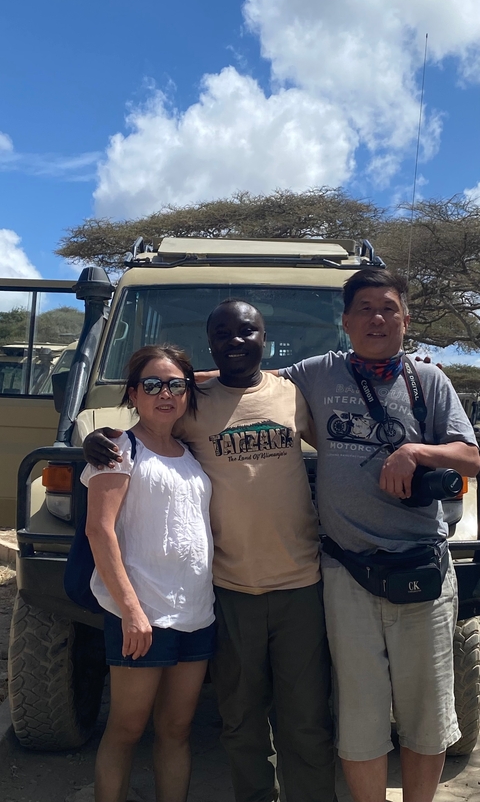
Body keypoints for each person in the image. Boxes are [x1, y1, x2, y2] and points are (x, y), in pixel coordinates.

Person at [84, 299, 336, 802]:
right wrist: (98, 435)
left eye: (247, 332)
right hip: (229, 588)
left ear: (264, 337)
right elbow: (153, 410)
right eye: (223, 333)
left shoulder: (293, 392)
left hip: (292, 582)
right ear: (211, 342)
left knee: (304, 718)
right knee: (238, 719)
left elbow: (343, 439)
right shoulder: (192, 401)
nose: (235, 341)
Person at [278, 268, 480, 802]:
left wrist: (416, 450)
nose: (377, 318)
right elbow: (247, 383)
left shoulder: (428, 381)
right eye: (364, 308)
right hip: (346, 571)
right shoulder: (314, 373)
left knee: (427, 716)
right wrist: (174, 382)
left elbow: (472, 457)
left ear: (406, 319)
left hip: (420, 570)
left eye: (388, 307)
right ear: (345, 321)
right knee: (360, 716)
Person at [81, 344, 215, 802]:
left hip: (196, 614)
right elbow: (99, 531)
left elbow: (229, 375)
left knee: (176, 730)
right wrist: (132, 612)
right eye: (153, 385)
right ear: (133, 394)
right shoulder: (118, 446)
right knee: (125, 728)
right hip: (141, 615)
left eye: (176, 385)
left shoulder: (192, 452)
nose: (166, 393)